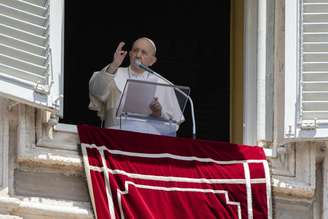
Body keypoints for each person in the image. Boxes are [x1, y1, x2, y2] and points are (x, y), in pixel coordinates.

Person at [88, 37, 184, 131]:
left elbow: (174, 121)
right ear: (130, 54)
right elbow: (96, 91)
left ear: (152, 61)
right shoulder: (114, 73)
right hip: (115, 137)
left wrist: (159, 113)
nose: (138, 55)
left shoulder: (162, 83)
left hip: (148, 141)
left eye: (144, 52)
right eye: (135, 50)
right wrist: (114, 65)